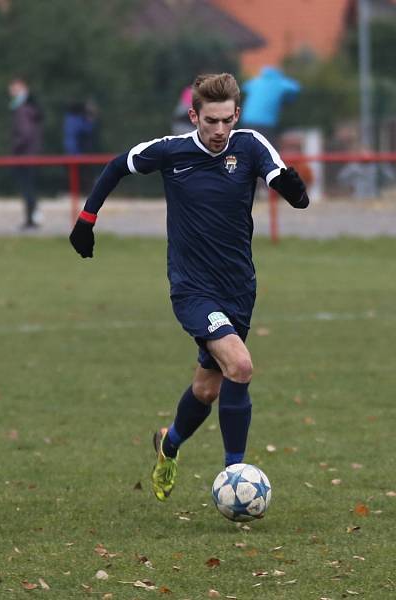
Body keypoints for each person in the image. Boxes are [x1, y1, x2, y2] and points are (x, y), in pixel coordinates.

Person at [68, 73, 310, 502]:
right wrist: (87, 221)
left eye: (226, 121)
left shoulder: (250, 144)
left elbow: (279, 176)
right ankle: (235, 476)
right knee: (240, 366)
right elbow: (115, 167)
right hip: (192, 288)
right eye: (210, 121)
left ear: (236, 114)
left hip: (239, 288)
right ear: (194, 115)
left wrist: (291, 188)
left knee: (207, 389)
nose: (219, 131)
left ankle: (170, 442)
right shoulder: (171, 151)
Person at [8, 77, 44, 229]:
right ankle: (33, 217)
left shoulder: (22, 110)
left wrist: (15, 148)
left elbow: (24, 133)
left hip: (24, 155)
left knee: (27, 188)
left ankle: (31, 219)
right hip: (32, 153)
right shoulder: (30, 109)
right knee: (30, 187)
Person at [239, 66, 300, 147]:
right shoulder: (279, 83)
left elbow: (244, 87)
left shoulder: (255, 82)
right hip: (266, 122)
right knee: (269, 149)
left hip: (247, 120)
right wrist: (289, 98)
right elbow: (295, 87)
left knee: (250, 146)